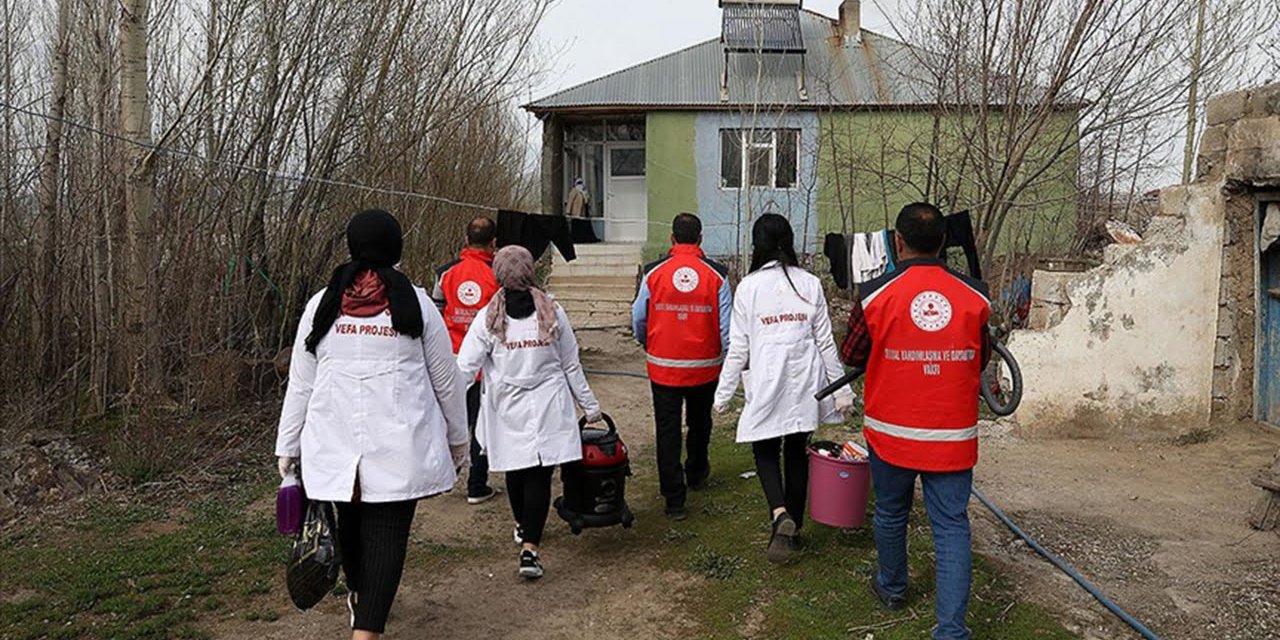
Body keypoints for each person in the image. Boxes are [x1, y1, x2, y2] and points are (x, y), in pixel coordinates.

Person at [275, 209, 468, 640]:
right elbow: (446, 380)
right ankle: (367, 623)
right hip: (399, 445)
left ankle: (364, 604)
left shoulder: (322, 304)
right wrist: (460, 439)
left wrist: (287, 447)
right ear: (396, 248)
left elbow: (300, 383)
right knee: (385, 537)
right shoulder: (415, 303)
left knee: (354, 529)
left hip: (335, 443)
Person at [839, 203, 991, 640]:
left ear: (897, 242)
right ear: (944, 242)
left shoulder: (874, 294)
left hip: (892, 435)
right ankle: (951, 630)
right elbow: (979, 358)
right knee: (951, 526)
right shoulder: (974, 295)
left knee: (890, 513)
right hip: (952, 435)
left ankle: (892, 587)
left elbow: (851, 355)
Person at [713, 213, 856, 563]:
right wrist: (841, 391)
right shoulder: (809, 283)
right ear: (789, 241)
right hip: (806, 381)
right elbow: (825, 343)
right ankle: (793, 528)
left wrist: (722, 395)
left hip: (768, 379)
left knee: (764, 450)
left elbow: (739, 348)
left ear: (757, 244)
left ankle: (780, 515)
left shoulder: (748, 287)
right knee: (796, 450)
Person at [457, 245, 604, 580]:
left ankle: (524, 528)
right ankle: (530, 548)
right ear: (530, 270)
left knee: (516, 469)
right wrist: (590, 405)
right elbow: (570, 363)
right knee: (539, 474)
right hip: (549, 404)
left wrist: (442, 403)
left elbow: (465, 368)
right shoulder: (553, 311)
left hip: (506, 408)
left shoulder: (488, 317)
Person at [631, 213, 731, 520]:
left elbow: (638, 318)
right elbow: (727, 329)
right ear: (701, 239)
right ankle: (697, 472)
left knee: (667, 430)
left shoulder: (653, 272)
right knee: (701, 423)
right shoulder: (718, 275)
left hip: (663, 368)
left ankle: (674, 499)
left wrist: (648, 342)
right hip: (705, 367)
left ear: (672, 238)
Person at [433, 216, 502, 505]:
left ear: (465, 240)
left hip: (451, 362)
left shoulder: (446, 273)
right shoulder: (498, 274)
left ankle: (443, 478)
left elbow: (436, 313)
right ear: (494, 243)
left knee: (450, 421)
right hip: (485, 364)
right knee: (481, 425)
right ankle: (476, 485)